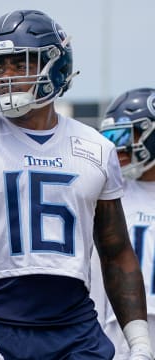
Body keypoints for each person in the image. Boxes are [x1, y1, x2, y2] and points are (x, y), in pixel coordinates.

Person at [0, 9, 153, 360]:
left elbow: (116, 251)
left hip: (75, 326)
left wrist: (139, 343)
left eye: (20, 64)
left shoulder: (96, 147)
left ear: (56, 66)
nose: (6, 77)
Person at [91, 87, 155, 359]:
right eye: (109, 138)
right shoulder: (108, 194)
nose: (118, 147)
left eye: (127, 135)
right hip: (120, 330)